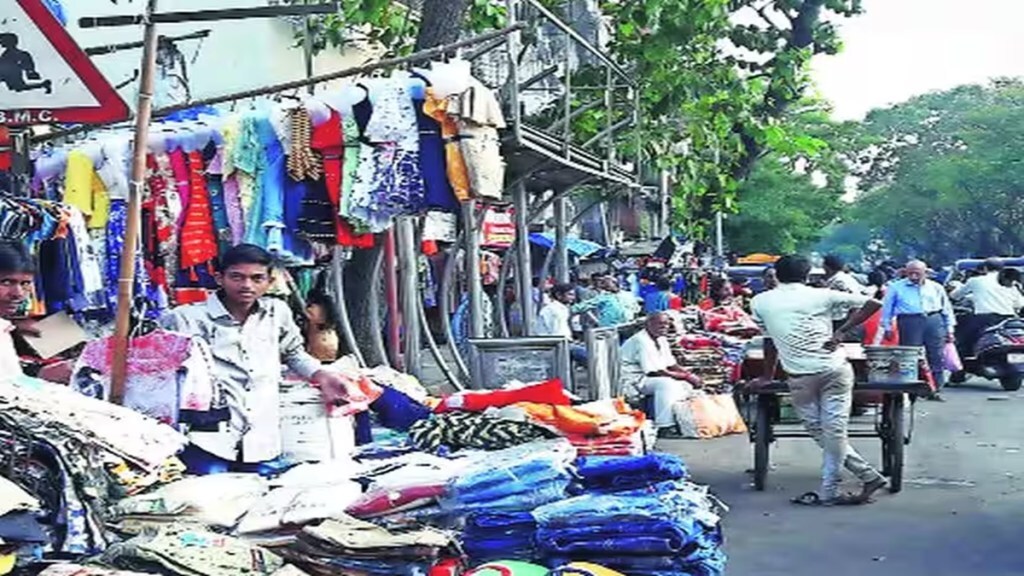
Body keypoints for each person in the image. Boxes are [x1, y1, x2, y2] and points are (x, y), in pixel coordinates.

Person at [161, 244, 368, 469]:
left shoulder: (277, 312)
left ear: (270, 282)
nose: (247, 285)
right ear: (220, 278)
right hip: (206, 438)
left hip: (261, 439)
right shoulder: (185, 318)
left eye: (257, 278)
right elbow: (165, 375)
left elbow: (294, 354)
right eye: (237, 277)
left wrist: (324, 376)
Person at [750, 254, 888, 506]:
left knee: (821, 432)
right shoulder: (822, 294)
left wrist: (767, 376)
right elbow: (873, 303)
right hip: (835, 370)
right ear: (807, 276)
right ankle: (858, 480)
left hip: (801, 377)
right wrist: (842, 331)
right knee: (833, 432)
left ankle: (838, 488)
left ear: (776, 275)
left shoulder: (760, 301)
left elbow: (769, 341)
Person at [880, 259, 956, 401]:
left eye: (917, 273)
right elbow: (887, 309)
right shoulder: (896, 287)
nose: (914, 276)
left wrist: (949, 329)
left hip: (933, 319)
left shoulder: (936, 287)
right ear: (905, 273)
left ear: (925, 273)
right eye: (911, 273)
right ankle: (910, 390)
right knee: (910, 356)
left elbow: (946, 309)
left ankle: (935, 389)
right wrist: (887, 327)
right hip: (909, 321)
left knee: (936, 355)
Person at [620, 312, 702, 435]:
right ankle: (664, 425)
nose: (664, 327)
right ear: (648, 324)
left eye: (666, 324)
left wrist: (689, 374)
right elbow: (655, 372)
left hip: (648, 377)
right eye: (660, 324)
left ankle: (680, 421)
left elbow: (671, 364)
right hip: (633, 380)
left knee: (685, 386)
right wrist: (686, 376)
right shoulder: (641, 340)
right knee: (666, 384)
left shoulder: (661, 339)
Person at [950, 258, 1023, 350]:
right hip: (1009, 319)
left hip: (984, 319)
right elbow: (1020, 304)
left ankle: (966, 361)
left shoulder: (975, 281)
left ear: (985, 268)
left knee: (962, 340)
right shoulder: (1010, 282)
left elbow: (956, 296)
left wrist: (954, 289)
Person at [536, 283, 587, 363]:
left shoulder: (562, 309)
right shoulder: (552, 310)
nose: (573, 298)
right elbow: (556, 331)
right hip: (556, 345)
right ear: (559, 295)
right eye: (569, 295)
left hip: (564, 343)